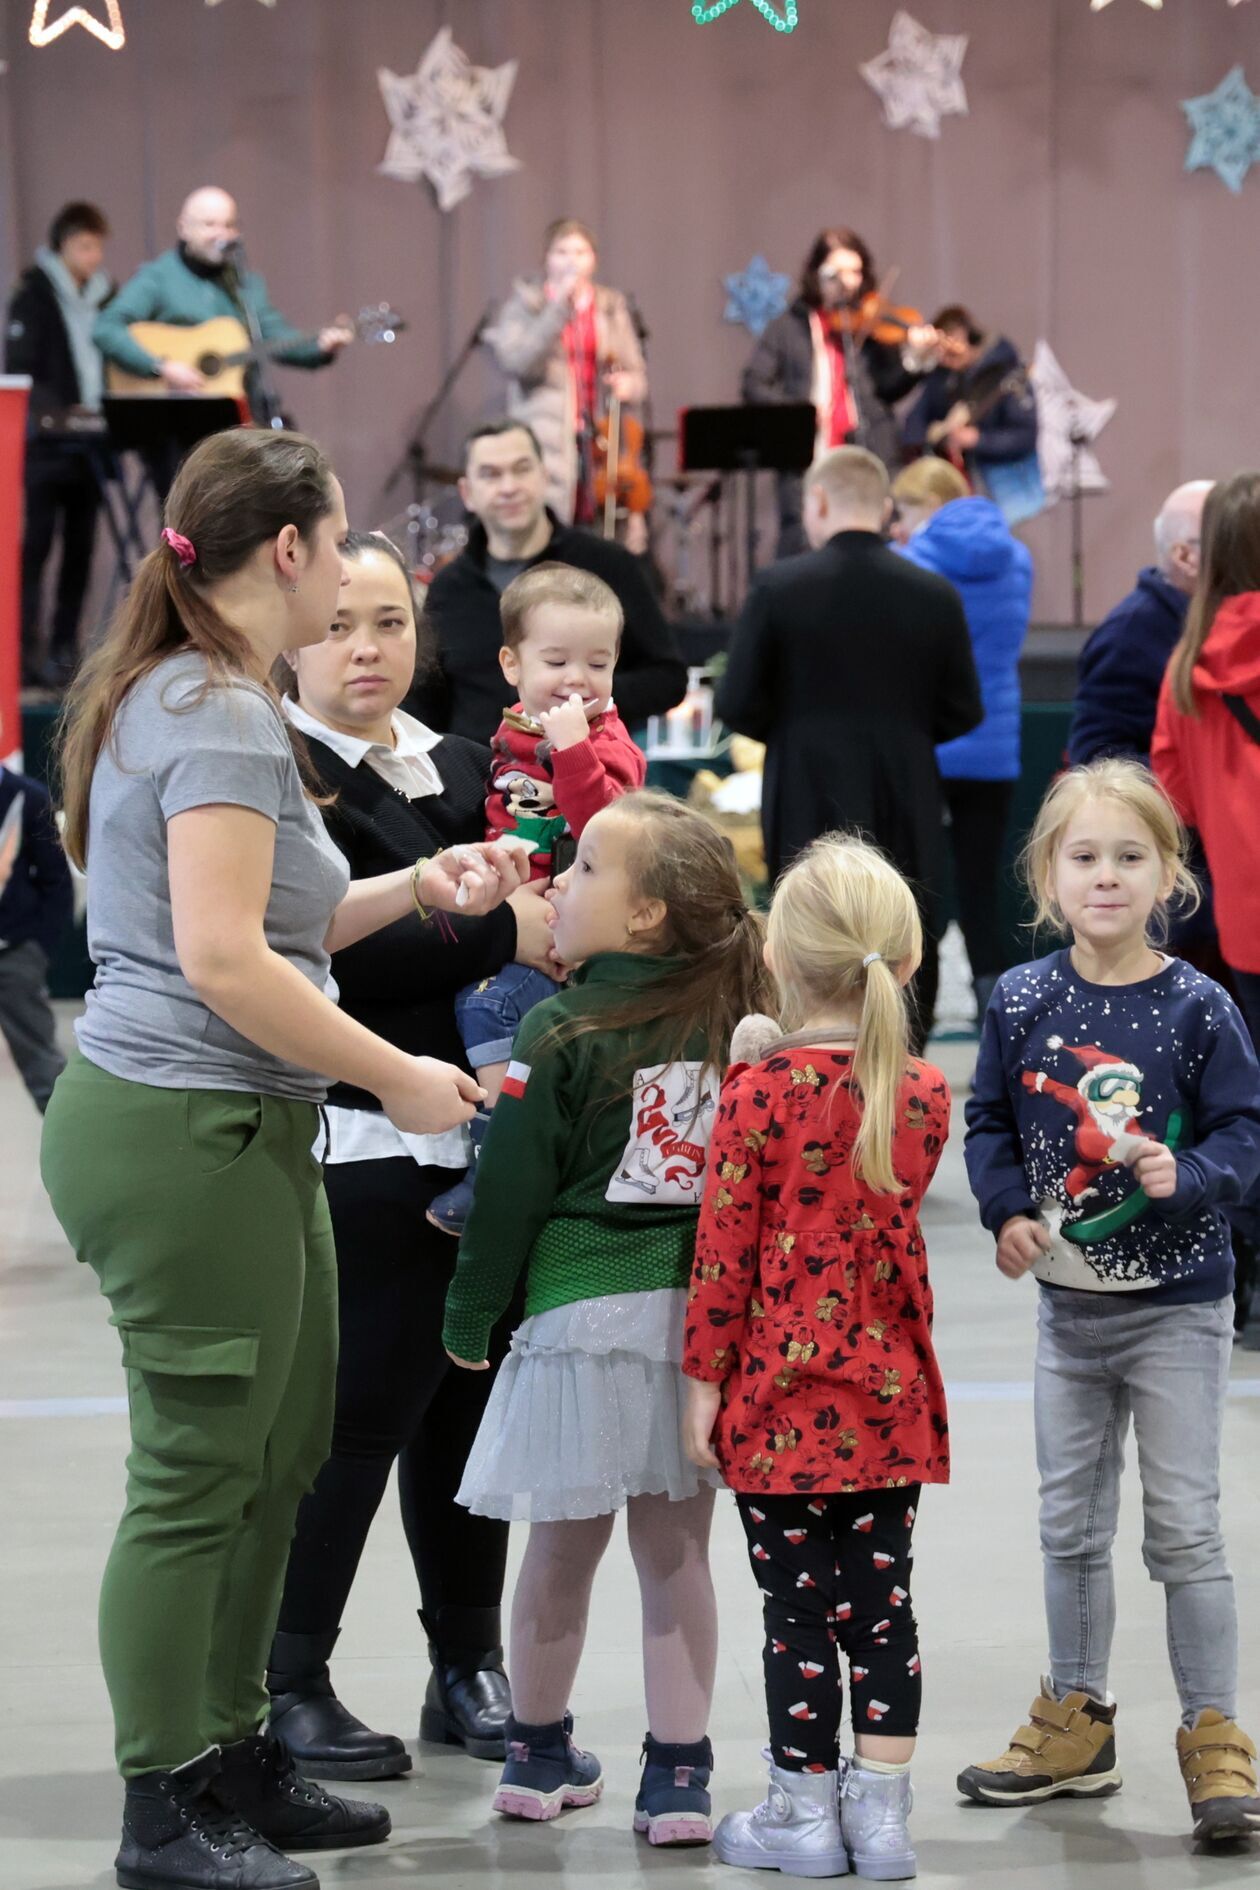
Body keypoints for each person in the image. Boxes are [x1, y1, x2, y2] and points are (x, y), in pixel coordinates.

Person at [39, 428, 530, 1890]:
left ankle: (236, 1747)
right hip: (181, 1129)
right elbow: (221, 958)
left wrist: (419, 882)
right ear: (294, 549)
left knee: (282, 1451)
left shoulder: (214, 692)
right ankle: (163, 1804)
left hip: (246, 1127)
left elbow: (282, 917)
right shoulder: (216, 710)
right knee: (200, 1473)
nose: (362, 595)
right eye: (344, 544)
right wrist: (396, 1074)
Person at [265, 530, 559, 1780]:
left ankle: (467, 1666)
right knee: (357, 1419)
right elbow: (326, 958)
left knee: (468, 1411)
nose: (365, 648)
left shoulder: (469, 764)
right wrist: (503, 936)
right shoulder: (275, 771)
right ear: (293, 635)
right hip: (359, 1142)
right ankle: (291, 1680)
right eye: (339, 623)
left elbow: (543, 903)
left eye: (388, 622)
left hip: (496, 1146)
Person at [443, 792, 770, 1846]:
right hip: (697, 1335)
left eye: (584, 866)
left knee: (558, 1551)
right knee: (677, 1558)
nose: (560, 883)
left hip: (579, 1327)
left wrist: (471, 1310)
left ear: (644, 915)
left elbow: (509, 1192)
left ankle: (534, 1755)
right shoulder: (742, 1017)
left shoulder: (555, 1026)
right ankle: (678, 1777)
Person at [961, 758, 1260, 1845]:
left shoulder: (1200, 1006)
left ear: (1168, 875)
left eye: (1131, 857)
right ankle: (1077, 1722)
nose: (1106, 876)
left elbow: (1245, 1130)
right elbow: (988, 1123)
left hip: (1179, 1313)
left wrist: (1202, 1173)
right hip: (1068, 1317)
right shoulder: (1020, 1000)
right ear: (1047, 874)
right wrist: (1006, 1211)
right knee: (1070, 1526)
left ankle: (1215, 1735)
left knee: (1184, 1528)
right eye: (1083, 856)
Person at [682, 835, 951, 1880]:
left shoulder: (755, 1094)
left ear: (777, 960)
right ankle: (881, 1824)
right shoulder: (922, 1092)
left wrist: (700, 1389)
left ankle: (801, 1817)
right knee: (883, 1614)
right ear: (907, 961)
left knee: (795, 1615)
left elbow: (723, 1258)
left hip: (778, 1402)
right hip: (891, 1401)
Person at [714, 445, 983, 1049]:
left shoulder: (779, 587)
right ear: (885, 508)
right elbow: (965, 707)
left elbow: (735, 701)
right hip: (905, 787)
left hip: (806, 788)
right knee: (904, 921)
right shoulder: (934, 593)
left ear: (817, 502)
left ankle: (805, 1064)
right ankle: (906, 1068)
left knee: (809, 918)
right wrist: (905, 733)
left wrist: (793, 727)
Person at [426, 561, 646, 1235]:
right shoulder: (508, 734)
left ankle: (498, 1164)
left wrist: (575, 751)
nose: (578, 679)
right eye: (556, 661)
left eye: (598, 663)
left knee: (487, 1007)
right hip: (515, 920)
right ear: (511, 665)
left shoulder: (606, 742)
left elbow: (609, 829)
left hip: (576, 938)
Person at [409, 418, 685, 743]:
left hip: (588, 762)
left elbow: (667, 676)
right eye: (491, 474)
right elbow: (425, 701)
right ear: (467, 493)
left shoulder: (606, 564)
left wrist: (585, 696)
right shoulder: (449, 588)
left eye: (521, 469)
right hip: (477, 768)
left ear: (544, 477)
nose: (509, 487)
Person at [892, 457, 1034, 1017]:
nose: (899, 525)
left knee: (917, 885)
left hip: (927, 741)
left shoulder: (909, 563)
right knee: (981, 886)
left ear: (929, 506)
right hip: (994, 741)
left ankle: (916, 1009)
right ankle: (993, 1007)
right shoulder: (1017, 558)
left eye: (904, 512)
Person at [742, 227, 940, 557]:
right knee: (803, 548)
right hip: (811, 456)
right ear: (816, 274)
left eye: (856, 272)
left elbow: (888, 389)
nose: (848, 282)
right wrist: (800, 414)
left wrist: (916, 359)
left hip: (869, 450)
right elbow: (754, 384)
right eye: (837, 272)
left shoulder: (868, 325)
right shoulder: (788, 327)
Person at [94, 186, 353, 430]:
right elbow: (106, 328)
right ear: (184, 228)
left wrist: (320, 347)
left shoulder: (245, 283)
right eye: (210, 224)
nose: (222, 234)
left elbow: (275, 339)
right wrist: (160, 366)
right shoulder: (158, 278)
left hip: (236, 421)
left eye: (229, 225)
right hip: (174, 422)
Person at [485, 217, 648, 541]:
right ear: (547, 258)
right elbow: (518, 363)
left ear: (593, 259)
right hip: (546, 439)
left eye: (580, 252)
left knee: (602, 541)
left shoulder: (610, 306)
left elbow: (637, 375)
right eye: (562, 252)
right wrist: (557, 309)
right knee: (550, 534)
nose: (571, 260)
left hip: (601, 443)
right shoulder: (527, 304)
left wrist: (629, 384)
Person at [4, 200, 112, 689]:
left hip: (92, 443)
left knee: (80, 547)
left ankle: (66, 650)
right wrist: (59, 414)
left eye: (98, 247)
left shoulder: (107, 296)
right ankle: (25, 651)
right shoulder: (33, 295)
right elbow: (21, 365)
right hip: (46, 445)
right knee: (37, 546)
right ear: (64, 245)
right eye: (85, 246)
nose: (93, 257)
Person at [1069, 480, 1213, 768]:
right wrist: (1197, 776)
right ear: (1184, 556)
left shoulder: (1226, 621)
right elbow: (1098, 760)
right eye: (1227, 540)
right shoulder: (1127, 637)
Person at [0, 708, 74, 1110]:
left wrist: (37, 948)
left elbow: (56, 880)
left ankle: (74, 1138)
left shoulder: (29, 798)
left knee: (44, 1067)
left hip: (15, 952)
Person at [902, 305, 1038, 495]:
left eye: (952, 353)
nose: (946, 360)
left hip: (1009, 481)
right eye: (940, 353)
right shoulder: (944, 374)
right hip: (962, 481)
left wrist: (978, 439)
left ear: (971, 340)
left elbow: (1025, 435)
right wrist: (926, 447)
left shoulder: (1005, 372)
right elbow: (916, 419)